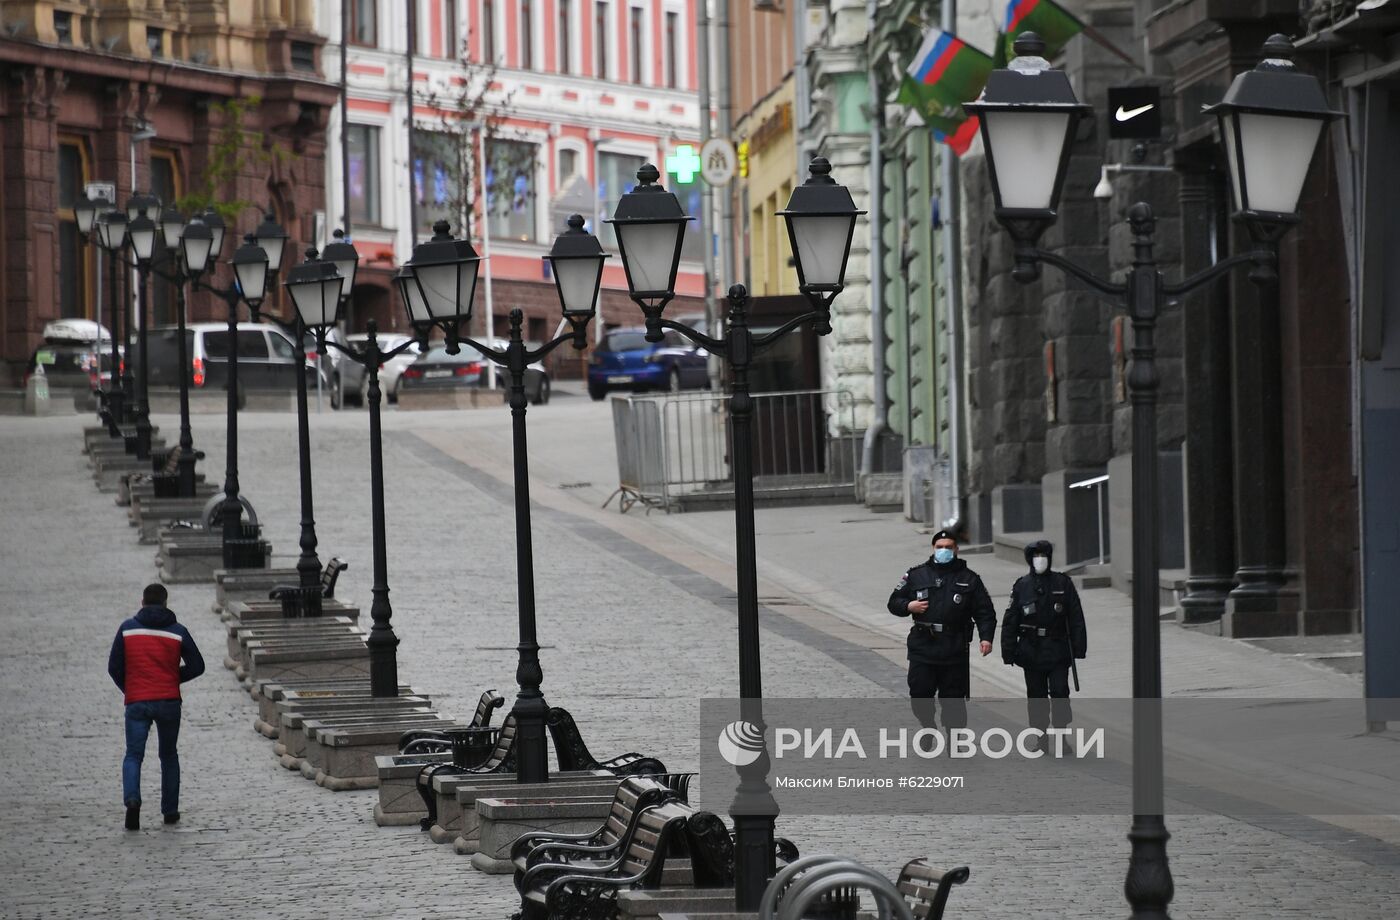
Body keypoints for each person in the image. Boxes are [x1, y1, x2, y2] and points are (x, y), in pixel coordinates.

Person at [108, 583, 205, 830]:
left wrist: (130, 687)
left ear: (142, 603)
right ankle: (170, 811)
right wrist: (172, 677)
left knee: (133, 755)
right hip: (169, 701)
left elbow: (114, 667)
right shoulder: (177, 631)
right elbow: (197, 666)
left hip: (137, 701)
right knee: (169, 755)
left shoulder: (127, 629)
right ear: (165, 603)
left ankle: (132, 802)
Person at [887, 530, 996, 732]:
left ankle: (954, 738)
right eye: (939, 547)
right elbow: (893, 602)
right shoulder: (916, 574)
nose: (943, 550)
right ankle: (927, 725)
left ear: (956, 549)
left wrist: (986, 638)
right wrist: (908, 606)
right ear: (933, 549)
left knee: (953, 698)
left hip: (953, 647)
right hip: (923, 646)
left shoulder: (969, 578)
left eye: (948, 547)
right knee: (919, 694)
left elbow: (985, 612)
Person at [1000, 540, 1087, 750]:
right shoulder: (1022, 585)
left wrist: (1078, 648)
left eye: (1044, 555)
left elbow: (1076, 616)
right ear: (1030, 560)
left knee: (1059, 693)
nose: (1040, 559)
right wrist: (1008, 651)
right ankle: (1041, 737)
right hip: (1031, 649)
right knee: (1036, 696)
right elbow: (1010, 619)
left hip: (1057, 648)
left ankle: (1061, 738)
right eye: (1036, 556)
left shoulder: (1062, 583)